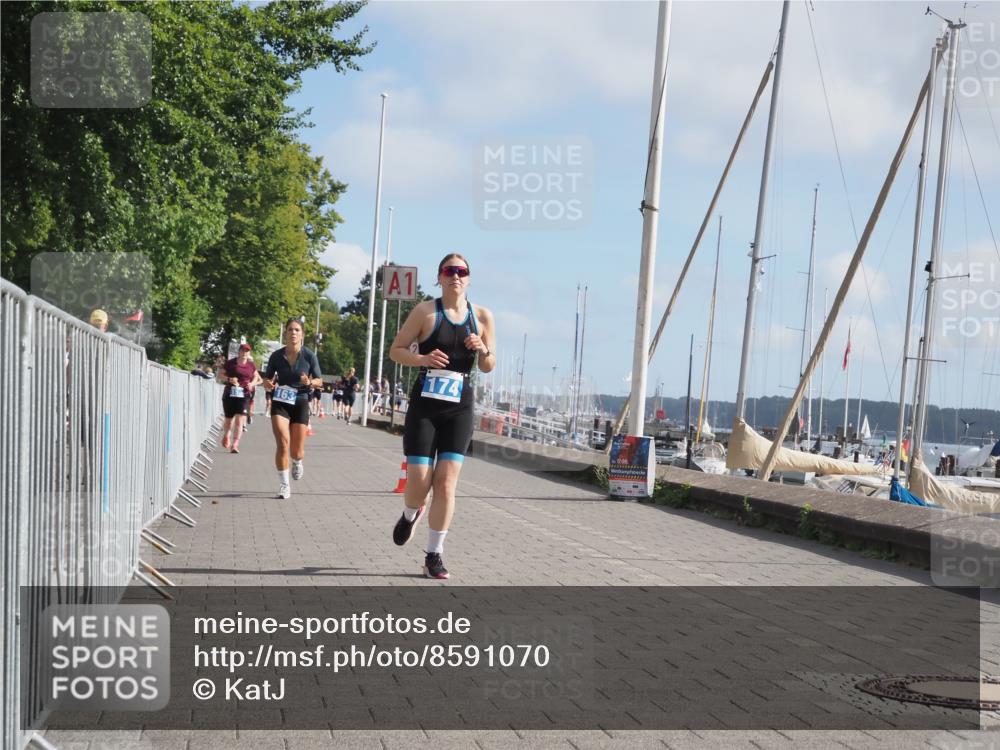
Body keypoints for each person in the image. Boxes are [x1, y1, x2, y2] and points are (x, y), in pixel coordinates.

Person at [388, 253, 495, 579]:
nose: (456, 276)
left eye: (462, 271)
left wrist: (483, 349)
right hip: (426, 406)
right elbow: (396, 350)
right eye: (450, 271)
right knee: (419, 484)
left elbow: (489, 366)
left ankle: (434, 554)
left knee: (446, 484)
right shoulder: (425, 312)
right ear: (440, 277)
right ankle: (411, 512)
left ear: (469, 278)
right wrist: (422, 360)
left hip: (459, 405)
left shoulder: (482, 317)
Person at [263, 319, 322, 499]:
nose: (293, 333)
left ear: (302, 334)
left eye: (297, 330)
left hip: (300, 400)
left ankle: (297, 461)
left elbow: (319, 381)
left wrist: (310, 382)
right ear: (285, 333)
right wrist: (268, 383)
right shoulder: (276, 356)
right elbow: (268, 379)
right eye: (290, 330)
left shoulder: (309, 356)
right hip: (281, 400)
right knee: (282, 442)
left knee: (297, 451)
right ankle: (284, 485)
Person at [221, 344, 262, 453]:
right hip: (230, 393)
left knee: (240, 420)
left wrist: (252, 384)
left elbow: (257, 378)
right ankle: (227, 435)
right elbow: (220, 375)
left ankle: (235, 444)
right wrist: (229, 379)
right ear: (239, 352)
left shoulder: (251, 365)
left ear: (249, 353)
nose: (245, 353)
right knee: (229, 420)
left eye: (247, 351)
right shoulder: (231, 363)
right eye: (243, 351)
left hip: (244, 395)